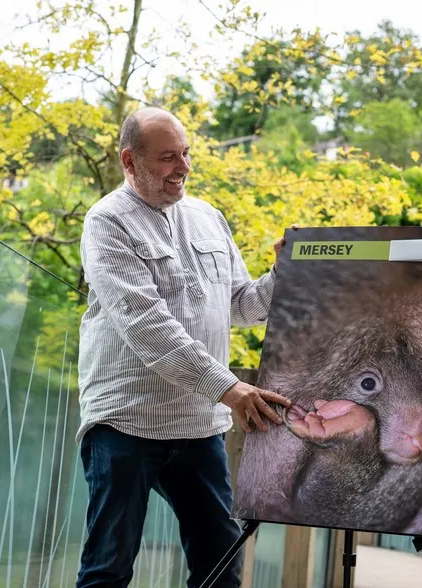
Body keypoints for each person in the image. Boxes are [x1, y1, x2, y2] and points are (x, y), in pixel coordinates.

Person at [75, 107, 292, 588]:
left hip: (199, 423)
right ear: (130, 162)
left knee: (221, 566)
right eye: (168, 157)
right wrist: (232, 389)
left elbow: (242, 306)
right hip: (125, 420)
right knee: (108, 567)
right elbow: (147, 325)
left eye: (187, 153)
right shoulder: (107, 221)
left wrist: (284, 275)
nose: (184, 167)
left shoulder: (209, 217)